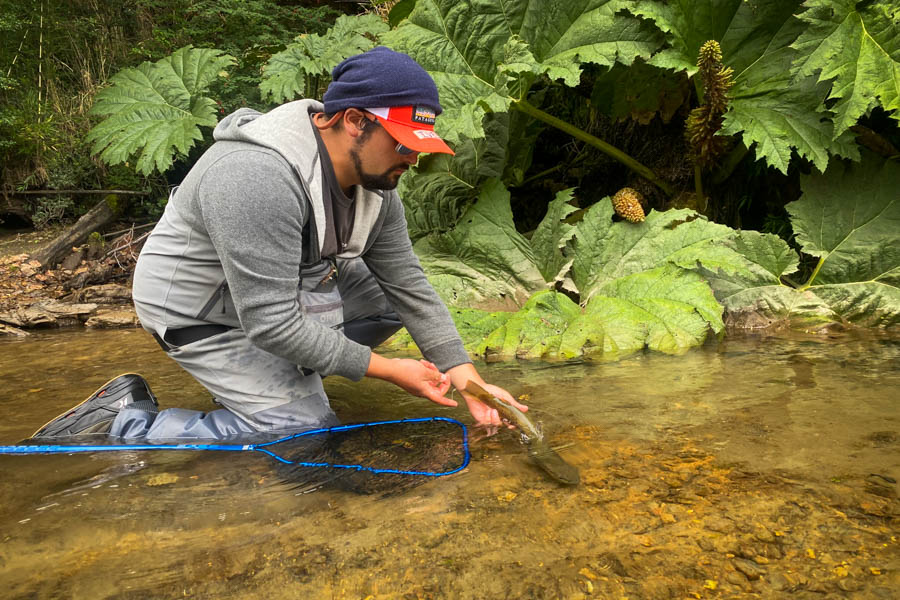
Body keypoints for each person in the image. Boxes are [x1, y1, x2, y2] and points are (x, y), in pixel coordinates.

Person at [32, 47, 526, 440]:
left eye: (419, 147)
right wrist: (388, 369)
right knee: (301, 428)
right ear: (354, 120)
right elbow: (270, 321)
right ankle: (123, 420)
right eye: (403, 144)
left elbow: (409, 285)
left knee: (387, 296)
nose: (412, 160)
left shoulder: (378, 186)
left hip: (282, 292)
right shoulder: (255, 177)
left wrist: (470, 381)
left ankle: (269, 383)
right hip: (199, 309)